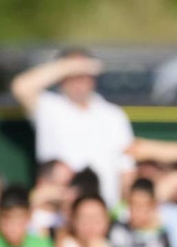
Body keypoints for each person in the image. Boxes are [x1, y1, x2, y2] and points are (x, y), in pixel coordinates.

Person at [11, 48, 135, 208]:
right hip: (58, 210)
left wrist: (122, 209)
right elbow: (20, 87)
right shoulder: (49, 107)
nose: (80, 81)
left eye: (85, 74)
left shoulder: (113, 115)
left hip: (104, 210)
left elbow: (126, 168)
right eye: (74, 75)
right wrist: (70, 66)